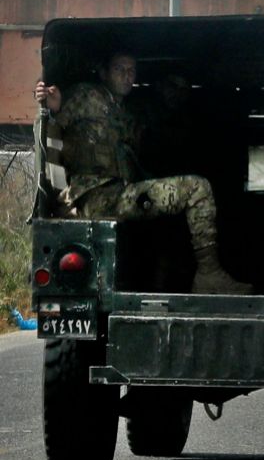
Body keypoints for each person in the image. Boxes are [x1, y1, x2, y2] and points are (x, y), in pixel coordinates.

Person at [34, 51, 252, 295]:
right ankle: (210, 276)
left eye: (131, 71)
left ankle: (172, 282)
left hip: (120, 194)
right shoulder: (85, 95)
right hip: (97, 197)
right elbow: (53, 120)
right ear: (104, 72)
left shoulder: (126, 112)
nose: (127, 76)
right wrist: (52, 105)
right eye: (120, 69)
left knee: (172, 214)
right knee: (197, 188)